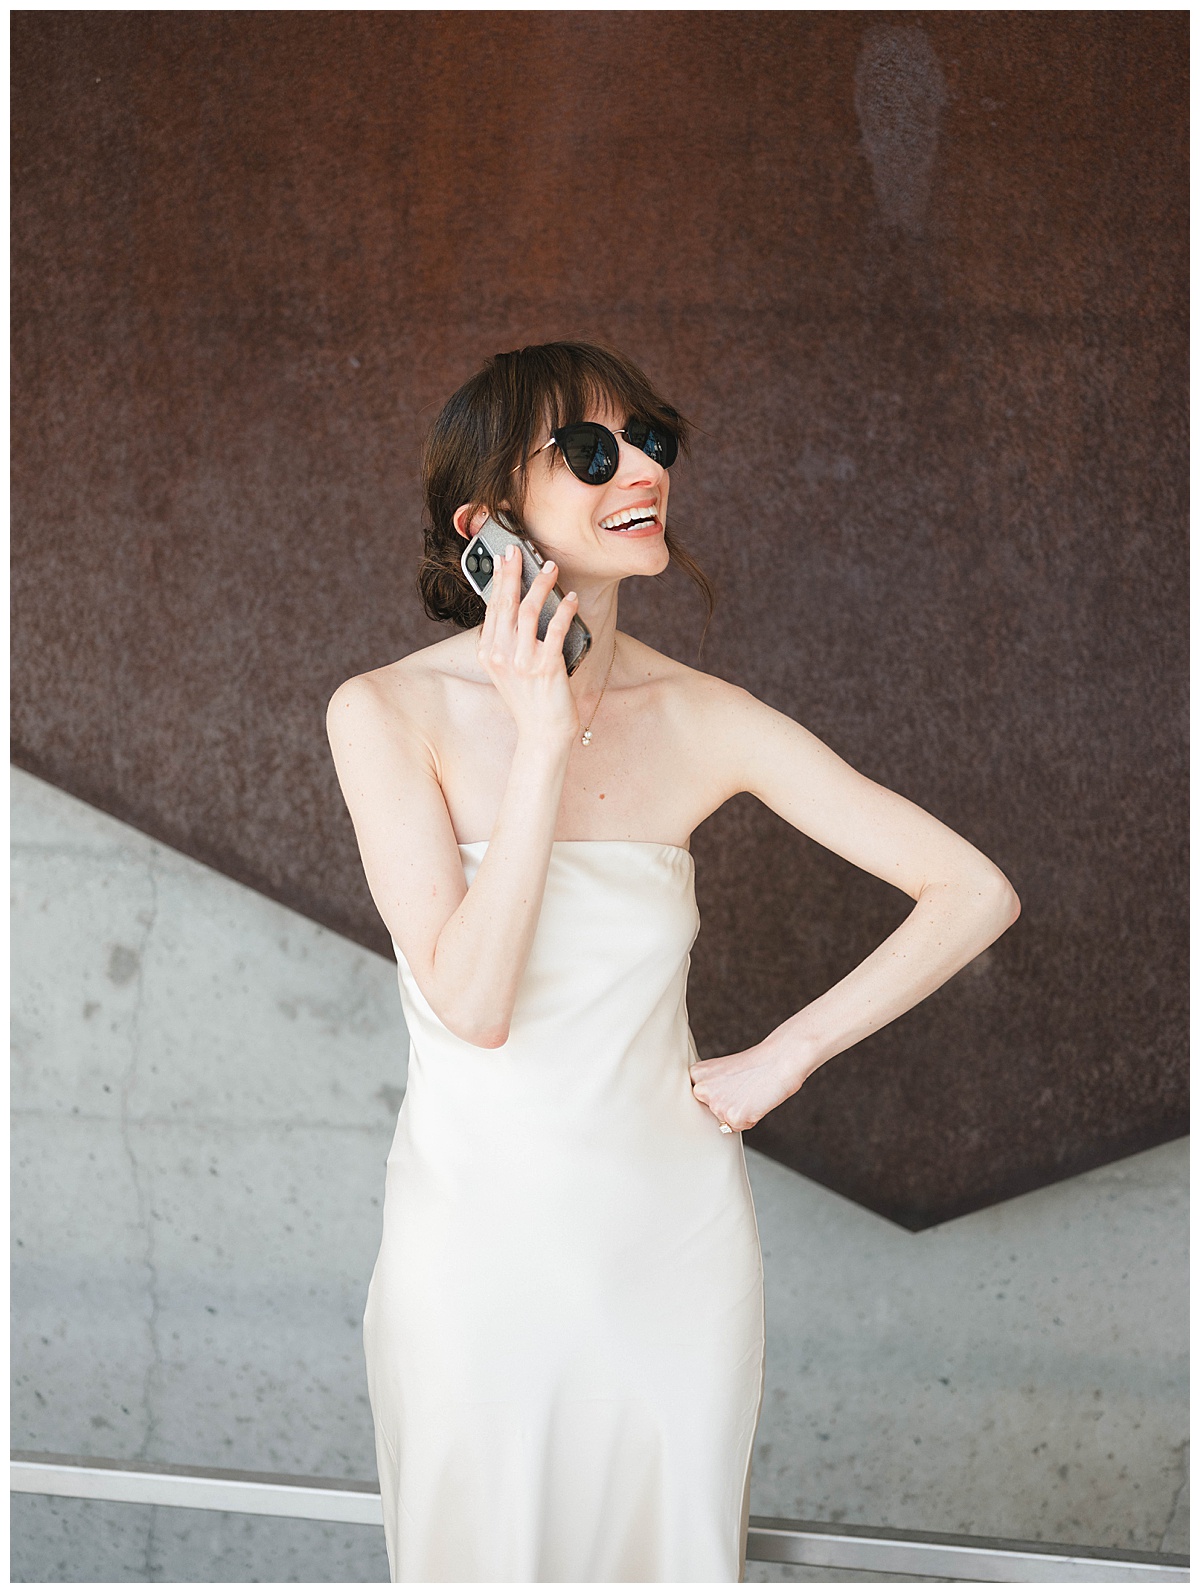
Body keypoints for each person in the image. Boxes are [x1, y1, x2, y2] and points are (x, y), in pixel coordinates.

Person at [325, 340, 1020, 1583]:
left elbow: (974, 890)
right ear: (485, 522)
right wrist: (540, 739)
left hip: (674, 1251)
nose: (640, 465)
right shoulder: (385, 715)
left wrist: (789, 1054)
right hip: (476, 1253)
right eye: (591, 451)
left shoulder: (707, 717)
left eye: (653, 438)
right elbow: (473, 1002)